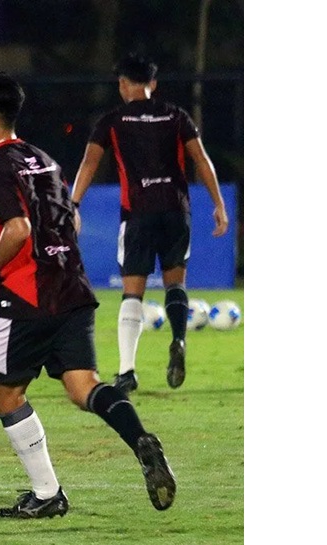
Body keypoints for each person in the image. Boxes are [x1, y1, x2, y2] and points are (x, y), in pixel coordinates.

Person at [0, 71, 176, 518]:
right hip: (73, 287)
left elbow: (18, 229)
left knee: (4, 395)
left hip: (28, 295)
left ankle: (47, 494)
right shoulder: (43, 159)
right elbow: (67, 222)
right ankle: (140, 439)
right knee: (84, 387)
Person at [69, 53, 229, 394]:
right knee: (175, 284)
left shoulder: (112, 120)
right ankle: (179, 339)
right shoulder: (175, 116)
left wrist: (74, 203)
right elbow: (201, 159)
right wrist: (218, 203)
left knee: (132, 292)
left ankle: (127, 371)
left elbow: (89, 163)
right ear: (152, 85)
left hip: (138, 213)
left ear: (124, 85)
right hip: (175, 210)